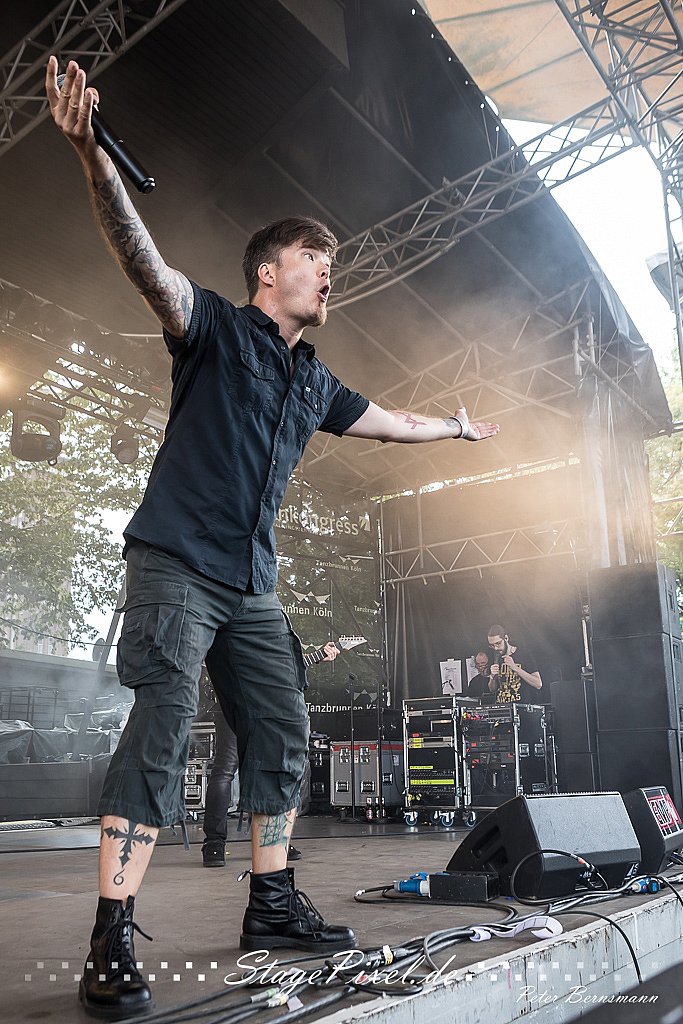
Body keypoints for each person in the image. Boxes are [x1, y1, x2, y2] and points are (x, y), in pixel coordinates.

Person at [45, 57, 500, 1020]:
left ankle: (272, 903)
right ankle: (112, 932)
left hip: (251, 583)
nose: (329, 270)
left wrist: (454, 429)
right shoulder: (212, 325)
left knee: (284, 731)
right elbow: (141, 258)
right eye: (313, 256)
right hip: (177, 562)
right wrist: (92, 157)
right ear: (269, 270)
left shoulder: (314, 380)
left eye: (331, 261)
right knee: (163, 724)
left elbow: (391, 423)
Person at [201, 641, 339, 867]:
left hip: (256, 705)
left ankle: (259, 841)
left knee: (249, 770)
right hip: (240, 703)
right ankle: (218, 842)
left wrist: (316, 656)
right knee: (230, 770)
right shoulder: (255, 629)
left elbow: (280, 667)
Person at [486, 624, 543, 704]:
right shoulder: (496, 657)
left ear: (506, 638)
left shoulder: (524, 654)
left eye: (498, 643)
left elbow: (538, 684)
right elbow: (492, 689)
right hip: (502, 707)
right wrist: (492, 677)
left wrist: (515, 667)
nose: (495, 648)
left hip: (521, 706)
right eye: (492, 645)